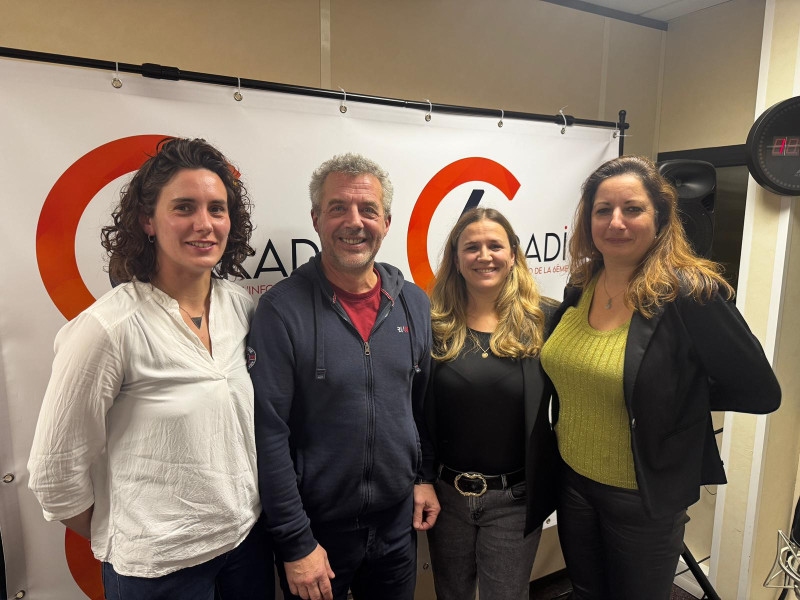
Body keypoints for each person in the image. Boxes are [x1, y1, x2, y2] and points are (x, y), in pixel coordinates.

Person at [28, 138, 273, 599]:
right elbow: (53, 474)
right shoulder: (109, 327)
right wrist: (136, 531)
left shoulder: (242, 309)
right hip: (159, 572)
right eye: (184, 207)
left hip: (247, 549)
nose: (205, 224)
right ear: (148, 221)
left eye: (217, 209)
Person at [540, 155, 781, 600]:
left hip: (642, 494)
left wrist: (673, 396)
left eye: (632, 209)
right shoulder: (582, 284)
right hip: (574, 480)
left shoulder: (690, 292)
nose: (616, 222)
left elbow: (761, 390)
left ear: (661, 216)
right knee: (586, 592)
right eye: (602, 210)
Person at [248, 153, 439, 600]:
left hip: (396, 527)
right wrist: (296, 541)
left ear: (386, 222)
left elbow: (421, 403)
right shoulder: (281, 309)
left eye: (368, 210)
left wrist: (423, 475)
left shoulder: (413, 302)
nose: (354, 222)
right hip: (316, 535)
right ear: (316, 219)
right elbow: (268, 433)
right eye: (338, 208)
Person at [424, 208, 559, 600]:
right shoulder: (431, 324)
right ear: (456, 258)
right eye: (472, 247)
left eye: (495, 245)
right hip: (446, 497)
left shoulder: (545, 319)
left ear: (513, 254)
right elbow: (417, 412)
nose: (484, 255)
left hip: (515, 499)